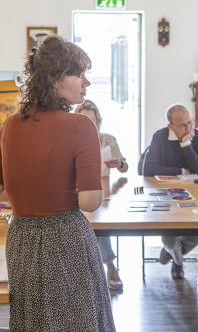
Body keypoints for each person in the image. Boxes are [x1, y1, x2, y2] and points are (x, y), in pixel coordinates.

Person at [0, 36, 115, 332]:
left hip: (21, 238)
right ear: (56, 78)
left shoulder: (11, 123)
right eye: (79, 73)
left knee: (33, 321)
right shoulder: (81, 126)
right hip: (65, 237)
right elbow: (89, 202)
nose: (86, 82)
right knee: (76, 320)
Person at [142, 103, 198, 279]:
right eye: (183, 125)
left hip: (194, 194)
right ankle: (177, 262)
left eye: (190, 123)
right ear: (170, 126)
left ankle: (170, 251)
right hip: (166, 194)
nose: (188, 128)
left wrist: (186, 145)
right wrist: (182, 171)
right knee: (170, 236)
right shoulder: (160, 137)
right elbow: (148, 168)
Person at [75, 99, 127, 291]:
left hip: (103, 189)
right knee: (89, 222)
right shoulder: (69, 140)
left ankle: (107, 267)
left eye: (93, 121)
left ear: (98, 122)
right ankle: (108, 266)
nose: (89, 125)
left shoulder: (107, 140)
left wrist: (119, 164)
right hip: (78, 190)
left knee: (99, 221)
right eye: (84, 120)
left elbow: (125, 167)